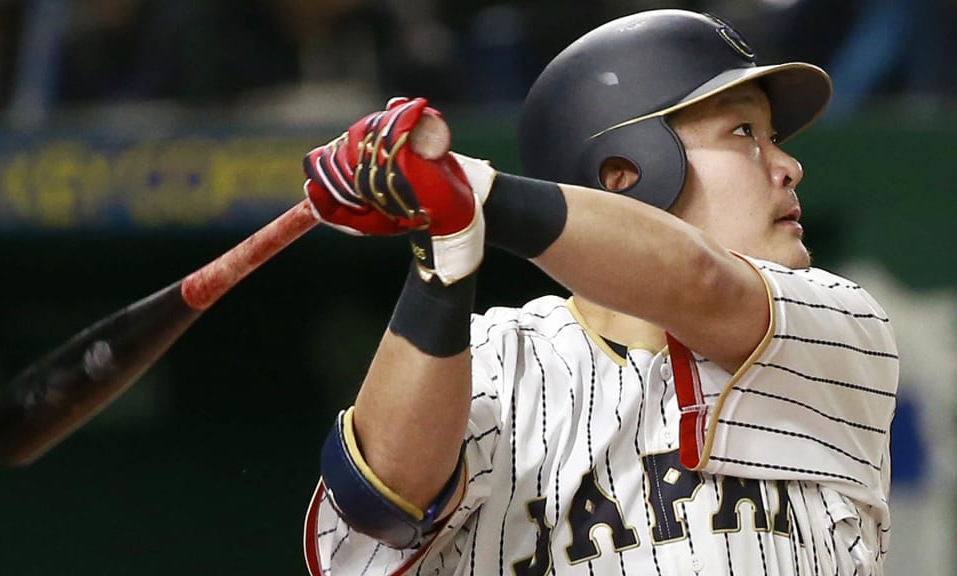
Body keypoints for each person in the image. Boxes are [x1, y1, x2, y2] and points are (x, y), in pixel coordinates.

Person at [300, 9, 899, 576]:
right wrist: (445, 252)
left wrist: (471, 191)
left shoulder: (840, 326)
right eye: (745, 132)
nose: (788, 165)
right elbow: (382, 500)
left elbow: (703, 282)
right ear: (625, 173)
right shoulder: (500, 358)